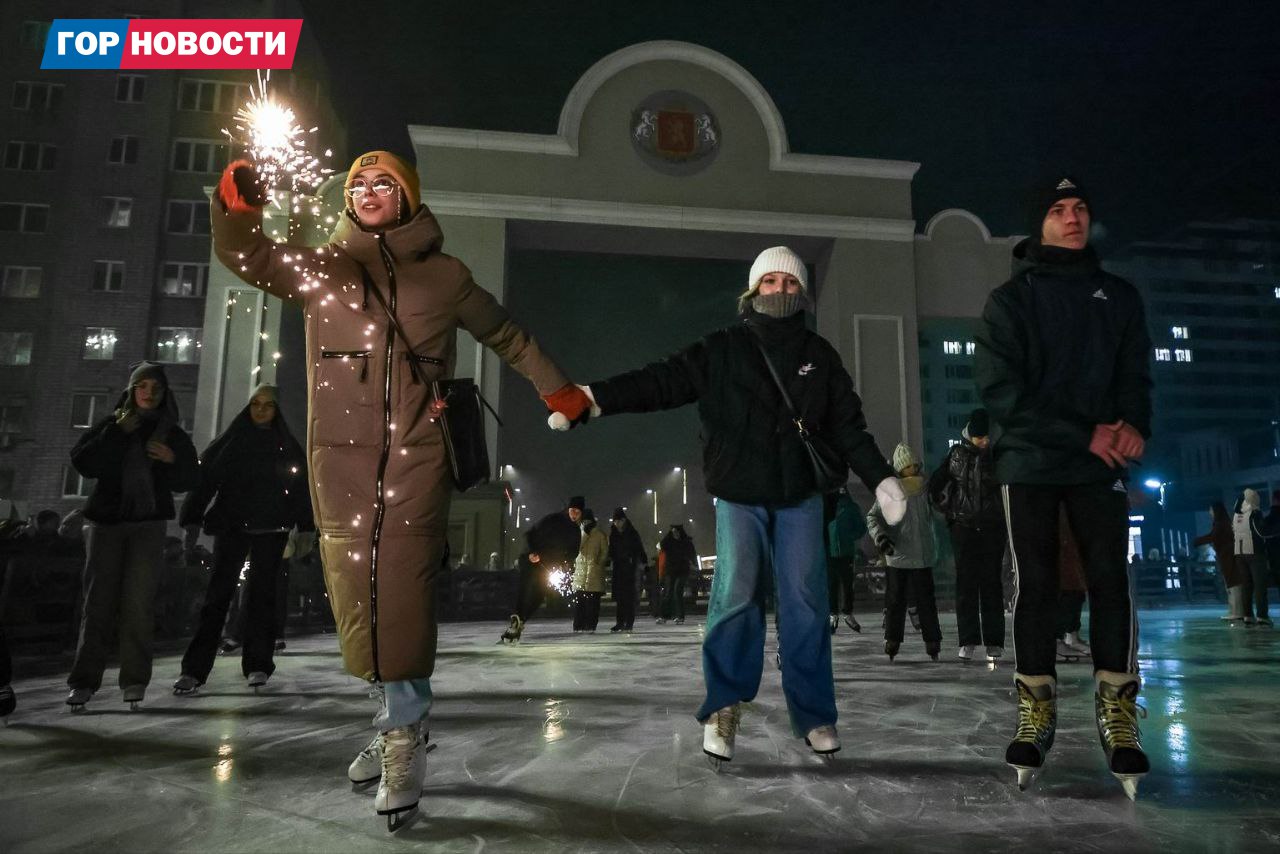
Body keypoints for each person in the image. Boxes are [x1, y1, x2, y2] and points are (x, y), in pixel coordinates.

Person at [212, 151, 589, 827]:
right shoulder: (324, 268)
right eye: (358, 183)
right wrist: (239, 214)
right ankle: (388, 719)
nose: (369, 191)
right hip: (339, 463)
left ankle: (404, 734)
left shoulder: (444, 276)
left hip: (416, 456)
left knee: (402, 586)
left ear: (407, 197)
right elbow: (253, 259)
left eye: (384, 182)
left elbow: (505, 333)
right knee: (358, 593)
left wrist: (556, 386)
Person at [554, 246, 904, 763]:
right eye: (770, 282)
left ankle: (814, 713)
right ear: (753, 290)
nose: (780, 291)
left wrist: (881, 479)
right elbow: (662, 380)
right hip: (739, 496)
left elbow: (848, 426)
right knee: (736, 598)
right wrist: (594, 397)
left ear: (801, 293)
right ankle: (724, 704)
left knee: (806, 603)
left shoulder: (819, 356)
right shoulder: (723, 349)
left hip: (800, 497)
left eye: (790, 284)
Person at [974, 175, 1153, 798]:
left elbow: (1136, 373)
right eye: (1057, 210)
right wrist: (1086, 433)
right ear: (1039, 224)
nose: (1072, 218)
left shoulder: (1119, 296)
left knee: (1111, 579)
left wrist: (1133, 425)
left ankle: (1119, 711)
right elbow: (1004, 394)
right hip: (1030, 462)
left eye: (1080, 208)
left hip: (1097, 465)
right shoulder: (1010, 302)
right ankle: (1036, 705)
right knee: (1036, 583)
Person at [64, 362, 199, 710]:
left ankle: (135, 680)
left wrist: (171, 460)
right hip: (106, 523)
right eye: (142, 386)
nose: (148, 393)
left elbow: (190, 478)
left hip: (148, 526)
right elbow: (84, 462)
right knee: (97, 603)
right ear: (131, 390)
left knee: (139, 604)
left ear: (164, 393)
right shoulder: (112, 424)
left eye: (155, 387)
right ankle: (83, 682)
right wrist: (119, 432)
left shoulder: (172, 434)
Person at [172, 384, 315, 695]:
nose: (261, 410)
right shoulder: (232, 443)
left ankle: (258, 664)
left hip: (271, 529)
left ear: (276, 411)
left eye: (268, 405)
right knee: (217, 598)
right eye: (256, 404)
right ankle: (194, 669)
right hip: (233, 526)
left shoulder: (285, 446)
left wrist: (306, 525)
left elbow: (302, 487)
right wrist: (192, 519)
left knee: (262, 599)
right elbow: (205, 480)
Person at [927, 409, 1005, 662]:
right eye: (978, 437)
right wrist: (948, 512)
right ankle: (968, 640)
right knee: (966, 584)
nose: (982, 441)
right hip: (963, 526)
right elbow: (935, 484)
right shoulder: (956, 455)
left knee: (991, 583)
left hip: (992, 526)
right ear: (969, 435)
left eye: (985, 437)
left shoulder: (997, 456)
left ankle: (994, 641)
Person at [868, 444, 942, 662]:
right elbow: (873, 517)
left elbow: (937, 514)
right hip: (898, 556)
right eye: (907, 466)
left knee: (926, 601)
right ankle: (892, 640)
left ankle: (932, 640)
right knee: (895, 601)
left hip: (922, 555)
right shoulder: (891, 490)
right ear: (899, 469)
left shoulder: (927, 488)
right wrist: (881, 538)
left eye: (914, 465)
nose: (912, 469)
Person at [502, 496, 585, 642]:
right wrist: (531, 552)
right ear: (568, 509)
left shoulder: (575, 531)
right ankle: (517, 618)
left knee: (540, 594)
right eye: (573, 511)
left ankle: (521, 620)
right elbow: (530, 534)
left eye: (578, 513)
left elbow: (573, 552)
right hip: (532, 561)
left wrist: (565, 563)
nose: (574, 515)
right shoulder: (552, 520)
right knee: (525, 589)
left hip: (549, 567)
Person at [824, 489, 866, 633]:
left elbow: (861, 527)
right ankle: (833, 614)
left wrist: (849, 536)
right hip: (829, 552)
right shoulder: (825, 506)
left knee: (848, 584)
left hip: (846, 553)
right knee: (831, 585)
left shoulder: (851, 507)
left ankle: (847, 613)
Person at [1193, 502, 1239, 621]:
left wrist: (1197, 541)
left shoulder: (1220, 524)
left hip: (1228, 556)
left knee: (1232, 584)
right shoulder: (1222, 523)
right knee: (1230, 584)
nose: (1209, 512)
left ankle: (1236, 611)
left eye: (1211, 509)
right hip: (1226, 556)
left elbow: (1213, 536)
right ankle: (1234, 610)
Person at [1232, 489, 1271, 626]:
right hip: (1255, 553)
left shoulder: (1236, 515)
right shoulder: (1254, 513)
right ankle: (1262, 616)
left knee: (1246, 586)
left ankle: (1248, 615)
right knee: (1260, 586)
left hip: (1239, 554)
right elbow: (1262, 532)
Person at [607, 508, 647, 632]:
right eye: (615, 521)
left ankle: (629, 623)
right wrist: (609, 559)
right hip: (618, 567)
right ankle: (620, 622)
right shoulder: (613, 533)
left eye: (618, 521)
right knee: (620, 597)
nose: (616, 524)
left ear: (623, 520)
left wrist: (643, 561)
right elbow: (612, 549)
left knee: (629, 597)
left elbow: (639, 548)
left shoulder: (632, 533)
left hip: (630, 567)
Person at [572, 509, 608, 632]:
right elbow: (576, 548)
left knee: (592, 604)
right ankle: (578, 626)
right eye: (584, 520)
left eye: (588, 520)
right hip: (580, 574)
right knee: (580, 603)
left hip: (594, 573)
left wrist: (599, 562)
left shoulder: (599, 534)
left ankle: (590, 626)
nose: (586, 523)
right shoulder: (579, 533)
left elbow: (604, 551)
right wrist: (584, 533)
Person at [657, 524, 697, 625]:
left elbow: (692, 553)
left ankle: (679, 616)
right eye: (673, 532)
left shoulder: (686, 543)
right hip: (670, 571)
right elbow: (661, 545)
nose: (675, 534)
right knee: (668, 593)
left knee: (677, 591)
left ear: (680, 532)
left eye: (677, 532)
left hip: (682, 571)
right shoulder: (668, 542)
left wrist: (694, 563)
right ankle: (664, 616)